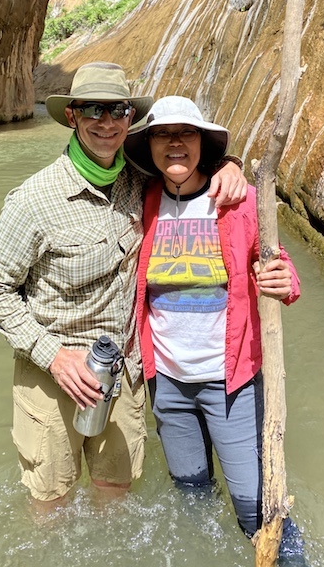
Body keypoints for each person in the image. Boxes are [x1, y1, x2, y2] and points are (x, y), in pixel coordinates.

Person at [0, 62, 247, 508]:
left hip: (120, 371)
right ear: (72, 116)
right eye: (93, 109)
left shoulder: (138, 180)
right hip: (52, 373)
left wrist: (230, 166)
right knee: (52, 501)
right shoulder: (35, 199)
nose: (106, 122)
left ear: (129, 119)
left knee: (115, 494)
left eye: (118, 110)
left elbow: (187, 168)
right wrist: (54, 357)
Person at [126, 95, 301, 539]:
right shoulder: (141, 203)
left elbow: (277, 262)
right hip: (166, 384)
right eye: (162, 134)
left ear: (203, 142)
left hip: (233, 384)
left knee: (258, 512)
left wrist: (286, 280)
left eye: (185, 133)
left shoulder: (240, 201)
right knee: (193, 500)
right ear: (149, 146)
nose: (175, 144)